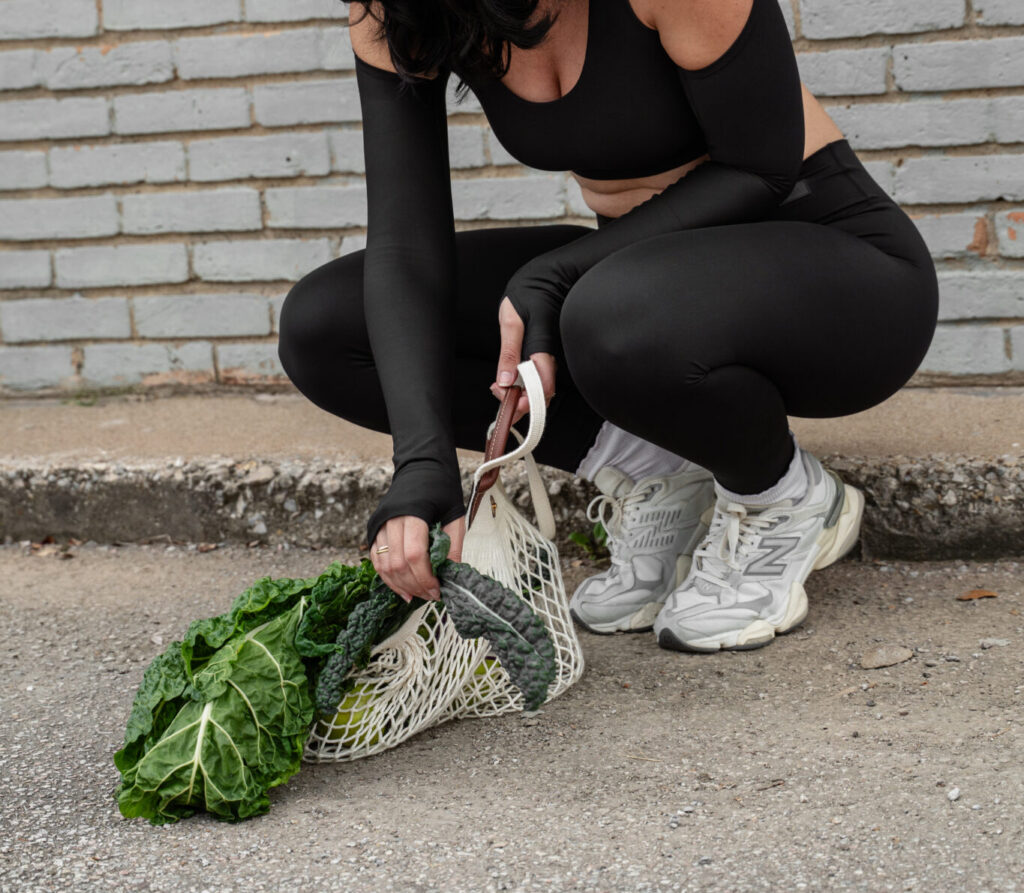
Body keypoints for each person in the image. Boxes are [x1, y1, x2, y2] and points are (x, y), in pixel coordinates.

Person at [277, 0, 939, 653]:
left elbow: (759, 167)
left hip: (837, 266)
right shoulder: (399, 5)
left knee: (605, 313)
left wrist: (557, 274)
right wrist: (421, 463)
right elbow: (405, 241)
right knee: (328, 328)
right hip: (643, 280)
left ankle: (781, 496)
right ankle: (664, 474)